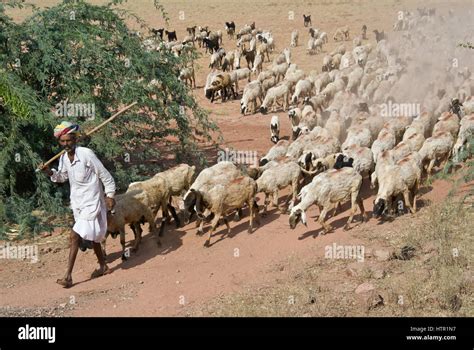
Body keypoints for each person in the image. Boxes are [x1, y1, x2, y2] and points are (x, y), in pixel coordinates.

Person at [40, 121, 116, 288]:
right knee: (94, 237)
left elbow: (105, 176)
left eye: (69, 140)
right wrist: (49, 172)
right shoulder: (63, 158)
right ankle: (103, 266)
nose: (66, 144)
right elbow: (62, 177)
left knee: (74, 236)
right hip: (78, 204)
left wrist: (109, 195)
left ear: (75, 139)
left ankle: (68, 276)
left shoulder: (87, 154)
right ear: (59, 142)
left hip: (92, 202)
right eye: (63, 141)